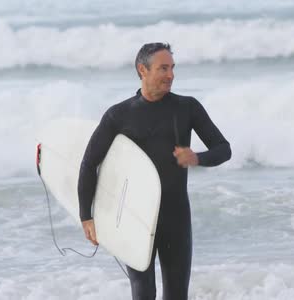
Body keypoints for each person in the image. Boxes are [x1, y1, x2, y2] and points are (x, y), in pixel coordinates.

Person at [77, 42, 231, 299]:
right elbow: (89, 163)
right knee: (143, 292)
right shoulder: (119, 115)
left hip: (175, 216)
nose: (170, 75)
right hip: (135, 217)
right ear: (143, 70)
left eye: (172, 68)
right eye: (163, 68)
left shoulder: (187, 107)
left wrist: (197, 158)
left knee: (176, 294)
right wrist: (86, 216)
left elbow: (223, 149)